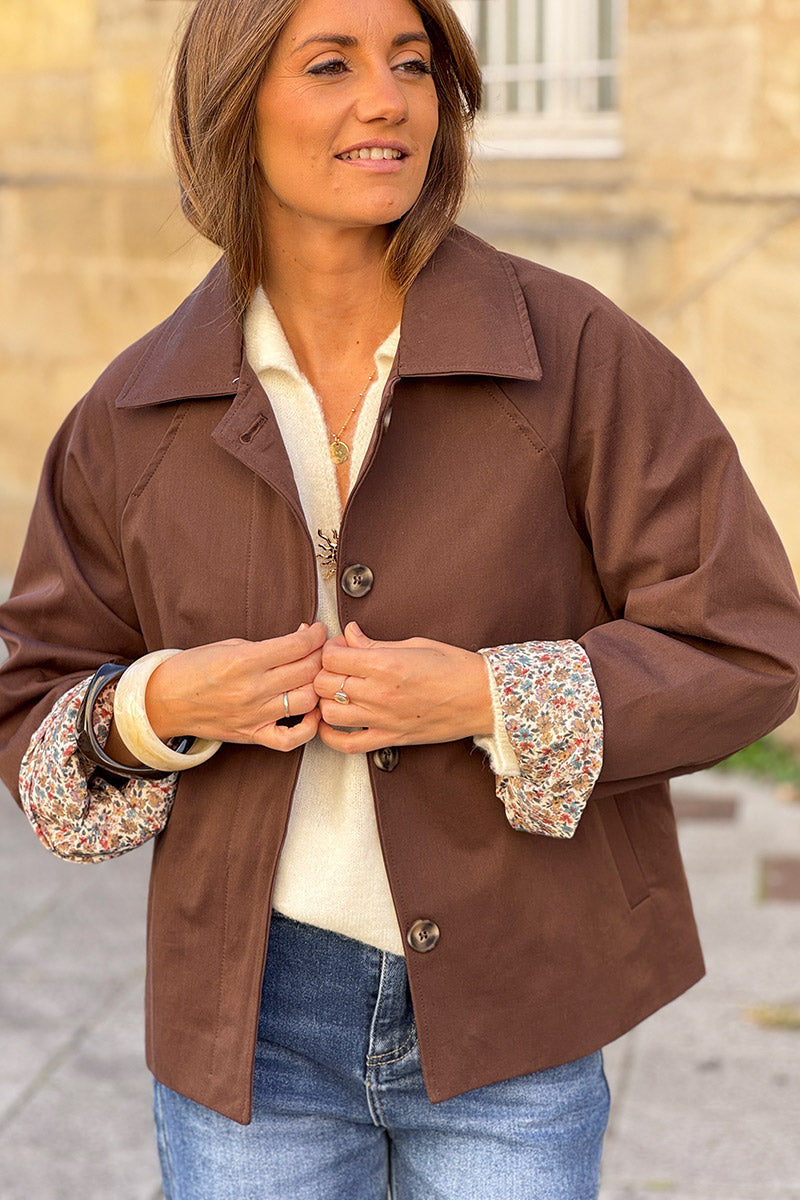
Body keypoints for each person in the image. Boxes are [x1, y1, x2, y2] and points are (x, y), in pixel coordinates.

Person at [1, 0, 799, 1196]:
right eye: (331, 64)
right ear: (234, 107)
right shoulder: (131, 417)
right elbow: (34, 701)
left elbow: (744, 639)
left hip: (516, 1006)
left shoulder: (575, 352)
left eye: (414, 63)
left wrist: (487, 695)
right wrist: (161, 700)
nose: (388, 99)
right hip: (245, 1021)